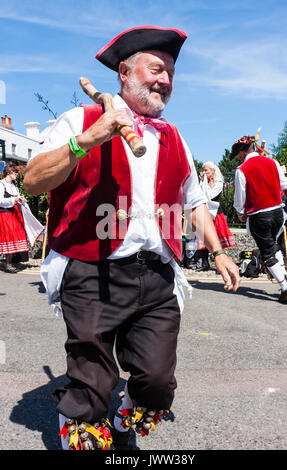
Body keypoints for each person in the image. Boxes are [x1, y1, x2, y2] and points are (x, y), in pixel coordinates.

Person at [24, 26, 240, 451]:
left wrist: (218, 252)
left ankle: (127, 411)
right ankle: (85, 426)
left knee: (157, 381)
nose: (165, 80)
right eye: (157, 68)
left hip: (157, 273)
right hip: (90, 271)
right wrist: (87, 140)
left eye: (171, 74)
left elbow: (194, 202)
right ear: (124, 72)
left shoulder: (173, 136)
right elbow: (32, 180)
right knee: (92, 383)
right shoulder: (81, 120)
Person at [230, 134, 287, 304]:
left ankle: (285, 288)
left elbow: (239, 199)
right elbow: (285, 185)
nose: (238, 157)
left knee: (267, 252)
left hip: (260, 215)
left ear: (242, 152)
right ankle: (284, 274)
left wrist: (241, 213)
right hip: (278, 212)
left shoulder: (242, 169)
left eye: (238, 154)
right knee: (273, 245)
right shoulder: (272, 162)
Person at [195, 161, 235, 271]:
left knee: (217, 238)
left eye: (206, 170)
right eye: (203, 170)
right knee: (203, 236)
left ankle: (220, 264)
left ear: (213, 171)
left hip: (216, 213)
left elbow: (209, 196)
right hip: (205, 211)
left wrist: (204, 183)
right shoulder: (203, 182)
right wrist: (202, 182)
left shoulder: (219, 184)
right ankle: (203, 263)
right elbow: (199, 194)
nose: (204, 172)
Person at [0, 162, 28, 272]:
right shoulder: (1, 184)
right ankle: (7, 264)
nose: (16, 174)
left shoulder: (14, 186)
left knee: (13, 237)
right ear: (8, 172)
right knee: (7, 238)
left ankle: (9, 263)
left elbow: (17, 200)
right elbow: (0, 201)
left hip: (13, 214)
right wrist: (13, 200)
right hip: (4, 214)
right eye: (15, 172)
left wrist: (21, 200)